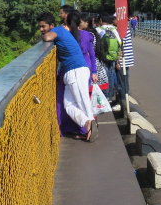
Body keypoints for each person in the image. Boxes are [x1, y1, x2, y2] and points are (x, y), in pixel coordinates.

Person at [37, 13, 97, 142]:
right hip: (73, 71)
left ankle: (91, 125)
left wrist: (43, 35)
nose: (41, 29)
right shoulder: (62, 31)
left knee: (82, 101)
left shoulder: (57, 30)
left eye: (43, 26)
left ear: (51, 25)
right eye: (40, 27)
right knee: (68, 105)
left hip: (76, 70)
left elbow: (47, 37)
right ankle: (87, 122)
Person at [97, 14, 122, 102]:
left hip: (102, 57)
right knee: (111, 74)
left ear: (101, 20)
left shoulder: (99, 29)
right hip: (112, 56)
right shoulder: (114, 29)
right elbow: (119, 42)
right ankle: (110, 96)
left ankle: (104, 94)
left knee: (103, 75)